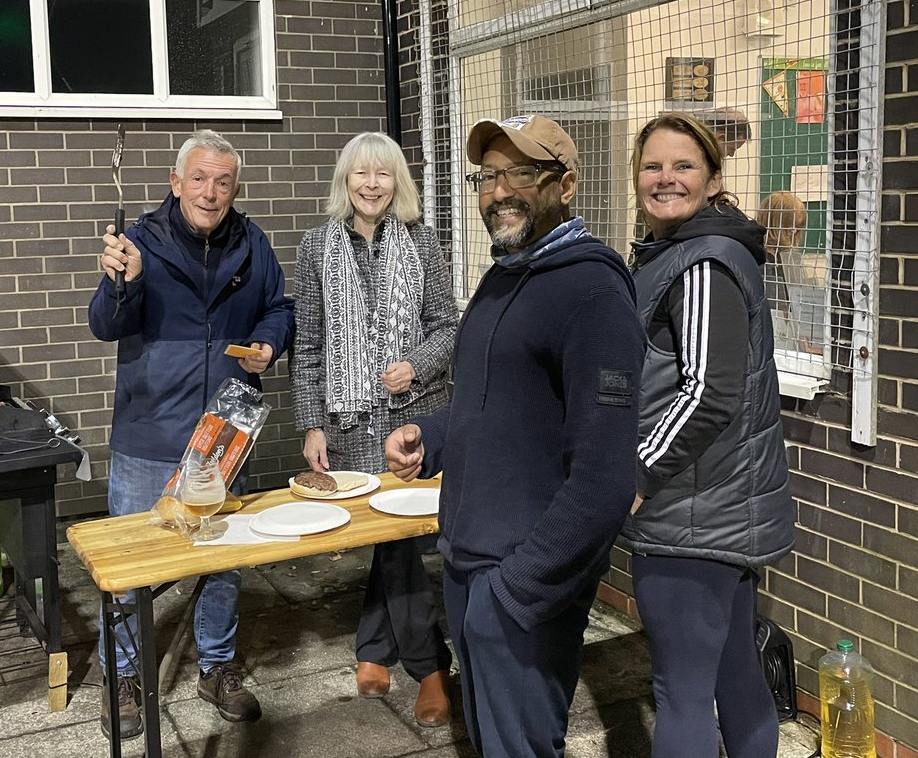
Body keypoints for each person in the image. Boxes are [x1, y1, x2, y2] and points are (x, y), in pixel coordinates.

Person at [385, 115, 645, 757]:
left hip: (523, 580)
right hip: (469, 560)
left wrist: (520, 589)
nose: (499, 190)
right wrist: (432, 434)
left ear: (566, 185)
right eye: (488, 176)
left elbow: (607, 474)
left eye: (520, 174)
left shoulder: (593, 291)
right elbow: (495, 404)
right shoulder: (505, 277)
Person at [89, 129, 294, 738]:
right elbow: (105, 323)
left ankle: (217, 665)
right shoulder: (139, 243)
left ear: (236, 187)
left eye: (223, 181)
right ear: (176, 183)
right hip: (150, 427)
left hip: (226, 432)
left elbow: (278, 307)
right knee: (135, 562)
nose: (211, 191)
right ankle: (122, 673)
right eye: (199, 179)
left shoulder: (253, 243)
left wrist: (267, 344)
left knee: (223, 559)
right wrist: (119, 280)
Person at [621, 112, 795, 758]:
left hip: (690, 514)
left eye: (683, 166)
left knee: (681, 693)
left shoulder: (699, 264)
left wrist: (637, 474)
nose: (665, 179)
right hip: (723, 509)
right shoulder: (696, 251)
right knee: (733, 672)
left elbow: (706, 393)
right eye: (652, 166)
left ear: (714, 179)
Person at [292, 131, 458, 726]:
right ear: (345, 181)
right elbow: (307, 345)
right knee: (385, 542)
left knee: (398, 542)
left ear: (398, 183)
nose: (370, 184)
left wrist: (416, 365)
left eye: (382, 174)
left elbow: (448, 326)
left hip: (414, 420)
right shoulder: (315, 247)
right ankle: (396, 653)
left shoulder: (423, 241)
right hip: (350, 423)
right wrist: (312, 425)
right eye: (360, 173)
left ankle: (419, 661)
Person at [755, 190, 818, 352]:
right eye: (790, 228)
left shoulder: (789, 258)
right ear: (775, 223)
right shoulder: (759, 259)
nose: (793, 234)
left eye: (797, 229)